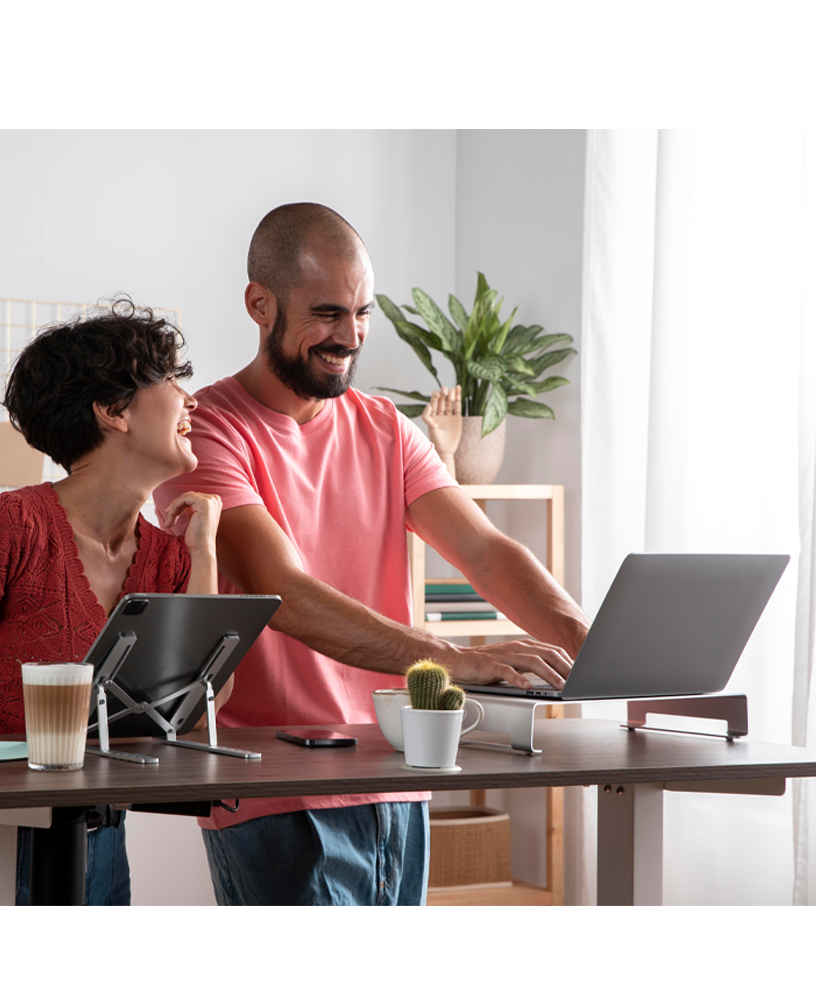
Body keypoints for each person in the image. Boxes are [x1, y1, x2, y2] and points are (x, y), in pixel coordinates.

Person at [153, 203, 591, 907]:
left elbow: (483, 549)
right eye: (328, 313)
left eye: (362, 313)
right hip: (274, 790)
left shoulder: (386, 425)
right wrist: (451, 658)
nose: (351, 336)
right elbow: (280, 590)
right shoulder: (205, 432)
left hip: (396, 776)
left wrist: (589, 646)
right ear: (260, 305)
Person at [0, 298, 222, 905]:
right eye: (171, 380)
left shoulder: (173, 558)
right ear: (114, 411)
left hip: (101, 846)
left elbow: (197, 708)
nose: (192, 400)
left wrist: (205, 552)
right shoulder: (8, 525)